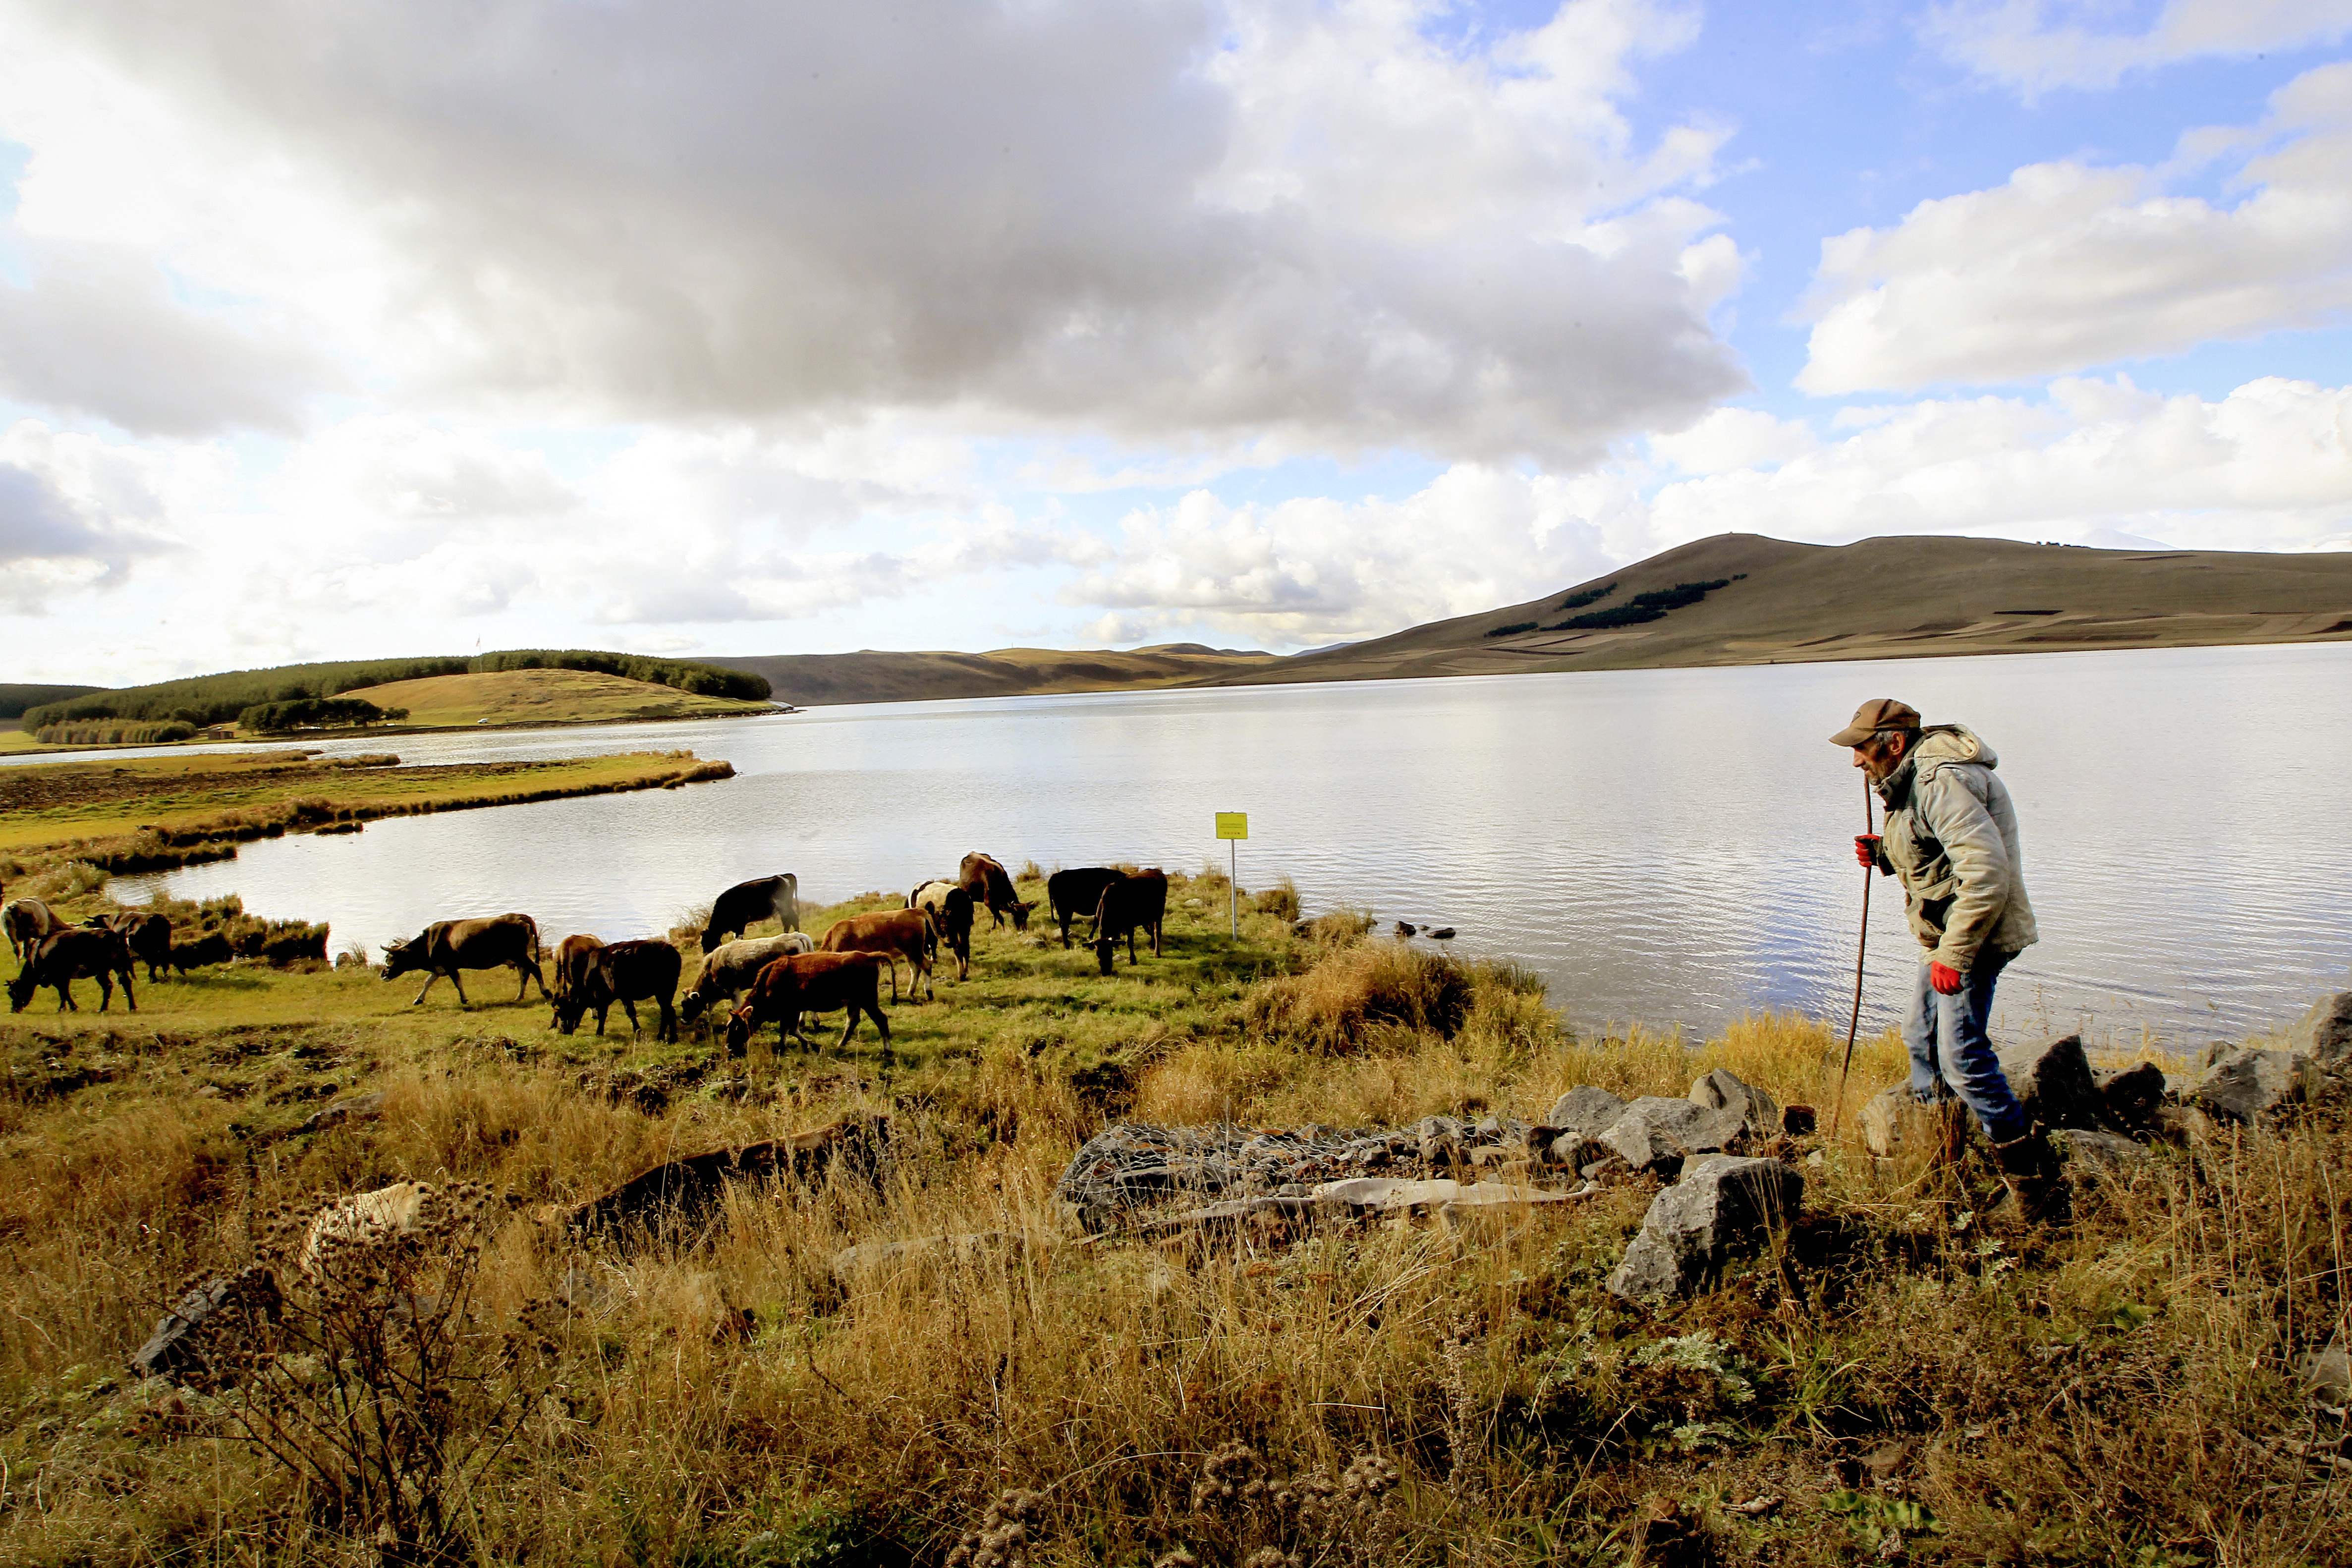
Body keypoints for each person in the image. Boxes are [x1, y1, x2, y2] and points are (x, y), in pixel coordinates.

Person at [1830, 697, 2065, 1224]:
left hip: (1974, 935)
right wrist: (1886, 853)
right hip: (1950, 936)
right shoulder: (1911, 777)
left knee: (1963, 1057)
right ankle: (1944, 1158)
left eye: (1862, 748)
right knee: (1922, 1040)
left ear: (1893, 742)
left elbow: (1985, 872)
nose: (1856, 762)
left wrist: (1955, 955)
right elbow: (1937, 849)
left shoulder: (1940, 781)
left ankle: (2037, 1190)